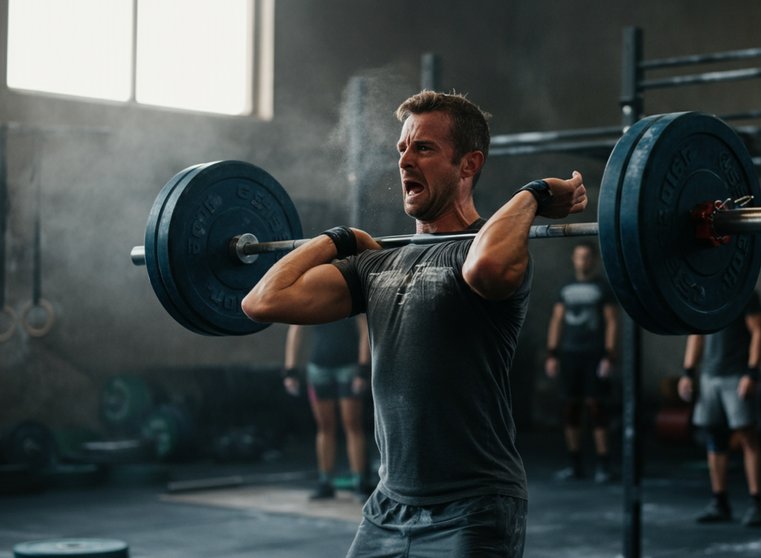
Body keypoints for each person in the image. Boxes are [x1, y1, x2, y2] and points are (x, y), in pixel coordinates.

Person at [242, 90, 588, 557]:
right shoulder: (375, 265)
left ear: (468, 165)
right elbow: (263, 301)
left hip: (473, 507)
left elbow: (485, 269)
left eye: (423, 148)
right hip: (387, 506)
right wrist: (335, 239)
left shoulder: (483, 252)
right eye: (402, 149)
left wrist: (535, 192)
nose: (405, 160)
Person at [677, 291, 761, 527]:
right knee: (715, 439)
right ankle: (720, 502)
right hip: (710, 376)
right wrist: (688, 372)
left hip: (737, 375)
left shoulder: (744, 293)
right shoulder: (705, 293)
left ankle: (756, 504)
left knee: (748, 437)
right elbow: (696, 333)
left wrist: (752, 372)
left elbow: (758, 330)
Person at [545, 242, 618, 484]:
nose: (583, 261)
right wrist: (552, 353)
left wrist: (609, 355)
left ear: (594, 260)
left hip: (594, 355)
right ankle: (575, 464)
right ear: (573, 260)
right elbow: (557, 320)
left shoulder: (602, 288)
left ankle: (604, 464)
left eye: (587, 257)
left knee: (596, 407)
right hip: (569, 354)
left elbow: (611, 322)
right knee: (570, 409)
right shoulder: (566, 288)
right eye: (579, 257)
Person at [283, 316, 371, 500]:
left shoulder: (350, 293)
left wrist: (363, 368)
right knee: (324, 427)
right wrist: (290, 370)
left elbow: (365, 330)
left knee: (353, 425)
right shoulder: (312, 295)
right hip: (318, 369)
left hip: (349, 367)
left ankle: (360, 483)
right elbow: (295, 330)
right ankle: (325, 483)